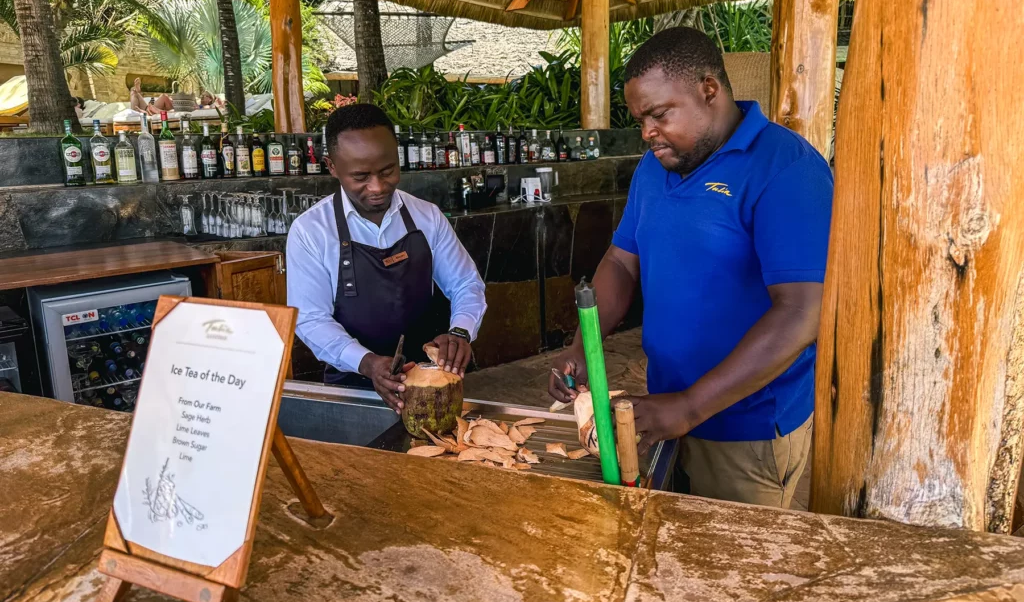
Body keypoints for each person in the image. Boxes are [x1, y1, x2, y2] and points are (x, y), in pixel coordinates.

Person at [549, 27, 833, 508]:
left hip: (746, 434)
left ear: (709, 89)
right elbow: (621, 260)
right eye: (640, 119)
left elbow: (801, 313)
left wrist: (689, 407)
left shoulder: (785, 168)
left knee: (736, 575)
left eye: (659, 115)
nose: (646, 133)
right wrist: (582, 348)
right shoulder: (655, 165)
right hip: (664, 413)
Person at [287, 104, 487, 411]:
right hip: (352, 390)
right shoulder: (310, 231)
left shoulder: (427, 216)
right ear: (331, 166)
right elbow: (311, 319)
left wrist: (459, 331)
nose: (378, 187)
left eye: (387, 171)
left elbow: (465, 284)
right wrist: (367, 363)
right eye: (361, 176)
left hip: (431, 383)